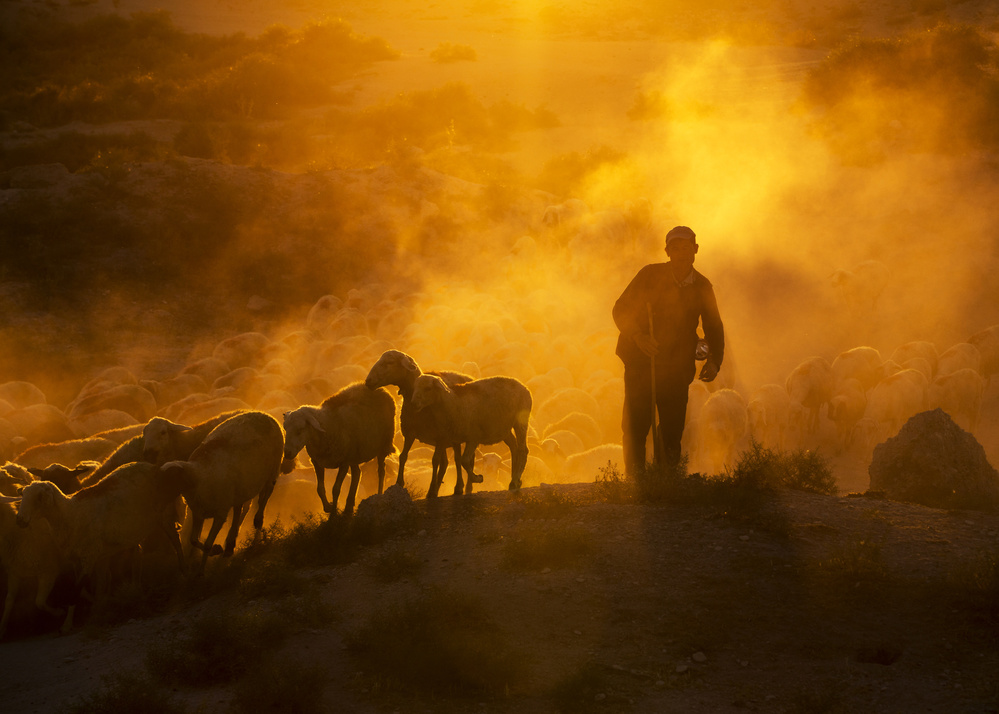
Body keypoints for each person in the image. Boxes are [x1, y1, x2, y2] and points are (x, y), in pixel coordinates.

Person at [612, 225, 724, 475]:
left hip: (677, 365)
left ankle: (666, 481)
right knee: (635, 425)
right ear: (667, 251)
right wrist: (638, 336)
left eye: (687, 248)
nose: (682, 253)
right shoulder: (649, 275)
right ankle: (636, 482)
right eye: (676, 248)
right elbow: (620, 309)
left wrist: (714, 359)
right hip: (642, 362)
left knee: (672, 427)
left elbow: (713, 324)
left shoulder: (702, 286)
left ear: (695, 250)